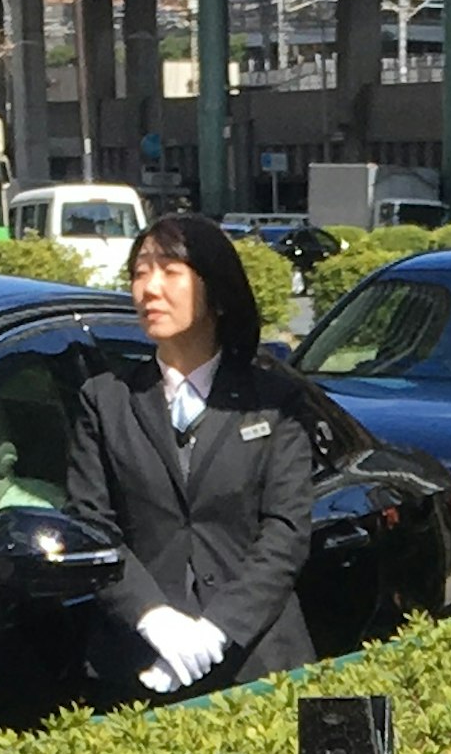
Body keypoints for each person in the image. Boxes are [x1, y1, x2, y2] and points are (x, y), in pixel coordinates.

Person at [69, 215, 319, 691]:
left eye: (170, 271)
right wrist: (151, 617)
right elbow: (92, 527)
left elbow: (285, 532)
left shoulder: (275, 399)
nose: (149, 289)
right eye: (140, 273)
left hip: (258, 660)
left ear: (216, 291)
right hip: (139, 665)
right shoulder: (105, 400)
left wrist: (217, 630)